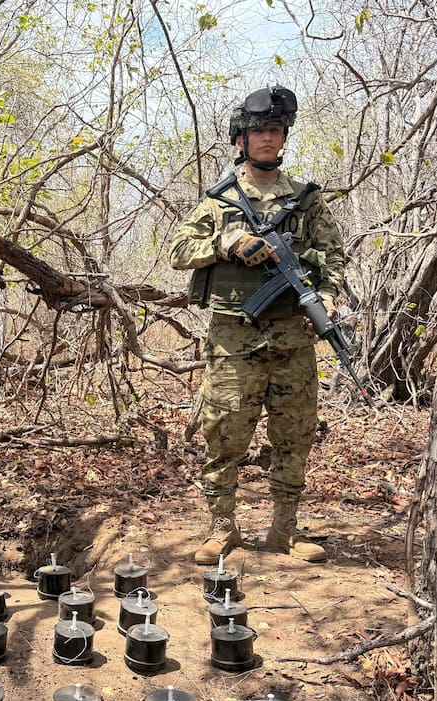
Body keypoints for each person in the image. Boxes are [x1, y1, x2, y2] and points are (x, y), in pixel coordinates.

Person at [168, 85, 346, 564]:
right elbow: (178, 250)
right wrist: (228, 243)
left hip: (292, 338)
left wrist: (321, 301)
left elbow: (335, 259)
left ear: (284, 136)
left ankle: (283, 531)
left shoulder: (306, 200)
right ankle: (221, 529)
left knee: (295, 437)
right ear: (241, 140)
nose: (267, 138)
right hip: (233, 340)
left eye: (275, 130)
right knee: (224, 435)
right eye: (258, 130)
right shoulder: (220, 200)